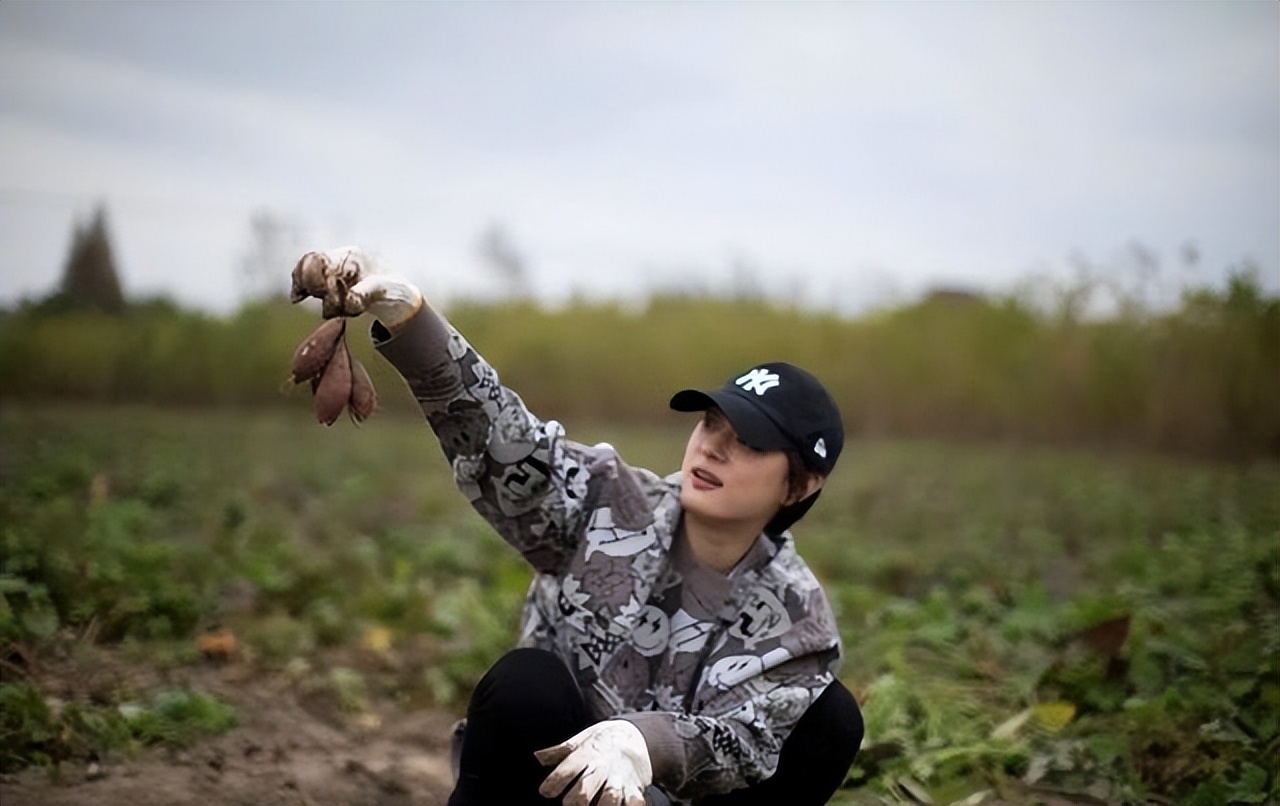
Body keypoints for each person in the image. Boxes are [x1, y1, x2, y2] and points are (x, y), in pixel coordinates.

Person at [290, 247, 864, 806]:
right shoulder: (610, 501)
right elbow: (506, 446)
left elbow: (747, 743)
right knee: (525, 682)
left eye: (748, 442)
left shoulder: (798, 624)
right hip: (541, 781)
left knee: (832, 719)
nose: (712, 449)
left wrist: (643, 743)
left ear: (800, 485)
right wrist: (411, 318)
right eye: (711, 425)